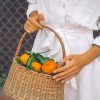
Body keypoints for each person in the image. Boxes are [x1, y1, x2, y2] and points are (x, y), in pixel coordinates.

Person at [24, 0, 100, 100]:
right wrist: (34, 16)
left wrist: (83, 60)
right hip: (44, 48)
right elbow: (34, 3)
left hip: (83, 55)